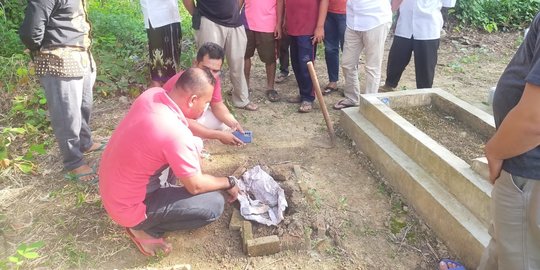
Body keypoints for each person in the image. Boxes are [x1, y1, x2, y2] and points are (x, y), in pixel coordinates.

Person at [99, 68, 240, 256]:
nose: (207, 108)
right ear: (192, 100)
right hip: (128, 207)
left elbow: (185, 125)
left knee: (193, 149)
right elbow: (195, 186)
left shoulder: (153, 95)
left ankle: (154, 205)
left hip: (113, 190)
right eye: (206, 103)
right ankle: (142, 227)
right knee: (213, 204)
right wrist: (228, 181)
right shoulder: (174, 133)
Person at [476, 12, 540, 270]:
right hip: (524, 171)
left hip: (528, 173)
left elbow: (534, 120)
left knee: (519, 258)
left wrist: (494, 151)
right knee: (503, 248)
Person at [19, 0, 104, 183]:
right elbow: (30, 32)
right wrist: (42, 49)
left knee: (83, 105)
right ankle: (74, 162)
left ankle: (84, 142)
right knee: (67, 115)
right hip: (58, 59)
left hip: (81, 54)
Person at [163, 42, 245, 146]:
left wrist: (234, 123)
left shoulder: (213, 78)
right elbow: (179, 119)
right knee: (194, 142)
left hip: (192, 118)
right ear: (195, 63)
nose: (210, 74)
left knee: (222, 121)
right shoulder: (184, 82)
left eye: (215, 70)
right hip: (172, 123)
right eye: (206, 69)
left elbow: (217, 104)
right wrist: (217, 135)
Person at [183, 0, 258, 111]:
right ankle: (206, 101)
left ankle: (241, 99)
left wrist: (234, 12)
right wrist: (197, 15)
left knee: (238, 63)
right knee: (208, 66)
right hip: (209, 20)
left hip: (235, 22)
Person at [381, 0, 456, 91]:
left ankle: (424, 92)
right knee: (396, 58)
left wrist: (441, 25)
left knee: (426, 64)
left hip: (428, 26)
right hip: (405, 23)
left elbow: (447, 5)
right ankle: (389, 85)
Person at [332, 0, 392, 110]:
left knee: (372, 67)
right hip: (353, 21)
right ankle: (352, 98)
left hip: (376, 21)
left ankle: (369, 104)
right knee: (347, 63)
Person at [285, 0, 329, 113]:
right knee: (296, 63)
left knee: (306, 66)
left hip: (307, 28)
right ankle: (303, 93)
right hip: (293, 26)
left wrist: (320, 26)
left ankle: (308, 97)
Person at [243, 0, 284, 102]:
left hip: (268, 24)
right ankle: (244, 86)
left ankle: (270, 88)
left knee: (270, 58)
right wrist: (234, 17)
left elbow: (280, 2)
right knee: (244, 56)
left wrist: (278, 24)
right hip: (247, 22)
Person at [140, 0, 182, 87]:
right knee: (158, 61)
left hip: (169, 14)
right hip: (157, 14)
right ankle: (160, 92)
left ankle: (169, 89)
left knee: (172, 60)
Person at [321, 0, 346, 96]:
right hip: (328, 11)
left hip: (347, 12)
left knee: (348, 50)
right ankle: (333, 81)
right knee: (330, 49)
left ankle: (350, 84)